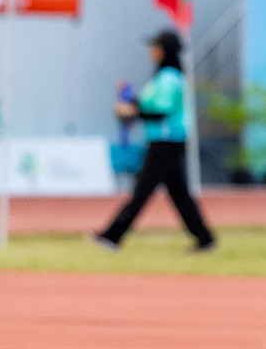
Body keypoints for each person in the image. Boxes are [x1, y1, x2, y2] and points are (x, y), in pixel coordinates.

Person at [93, 31, 217, 252]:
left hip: (166, 142)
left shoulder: (169, 78)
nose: (152, 51)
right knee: (179, 193)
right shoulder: (163, 76)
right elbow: (149, 105)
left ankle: (113, 235)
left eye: (155, 46)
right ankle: (205, 238)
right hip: (164, 140)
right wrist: (130, 102)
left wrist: (132, 112)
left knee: (143, 189)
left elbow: (161, 111)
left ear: (164, 50)